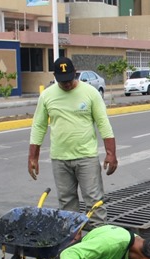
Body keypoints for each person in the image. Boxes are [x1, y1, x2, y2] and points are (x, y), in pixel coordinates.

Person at [28, 56, 117, 224]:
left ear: (75, 73)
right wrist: (33, 157)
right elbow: (38, 126)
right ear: (55, 76)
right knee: (67, 205)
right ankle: (73, 244)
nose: (67, 84)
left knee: (94, 204)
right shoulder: (47, 96)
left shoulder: (90, 93)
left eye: (69, 79)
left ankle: (99, 245)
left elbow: (103, 123)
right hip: (60, 159)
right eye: (62, 81)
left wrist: (111, 154)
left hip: (87, 158)